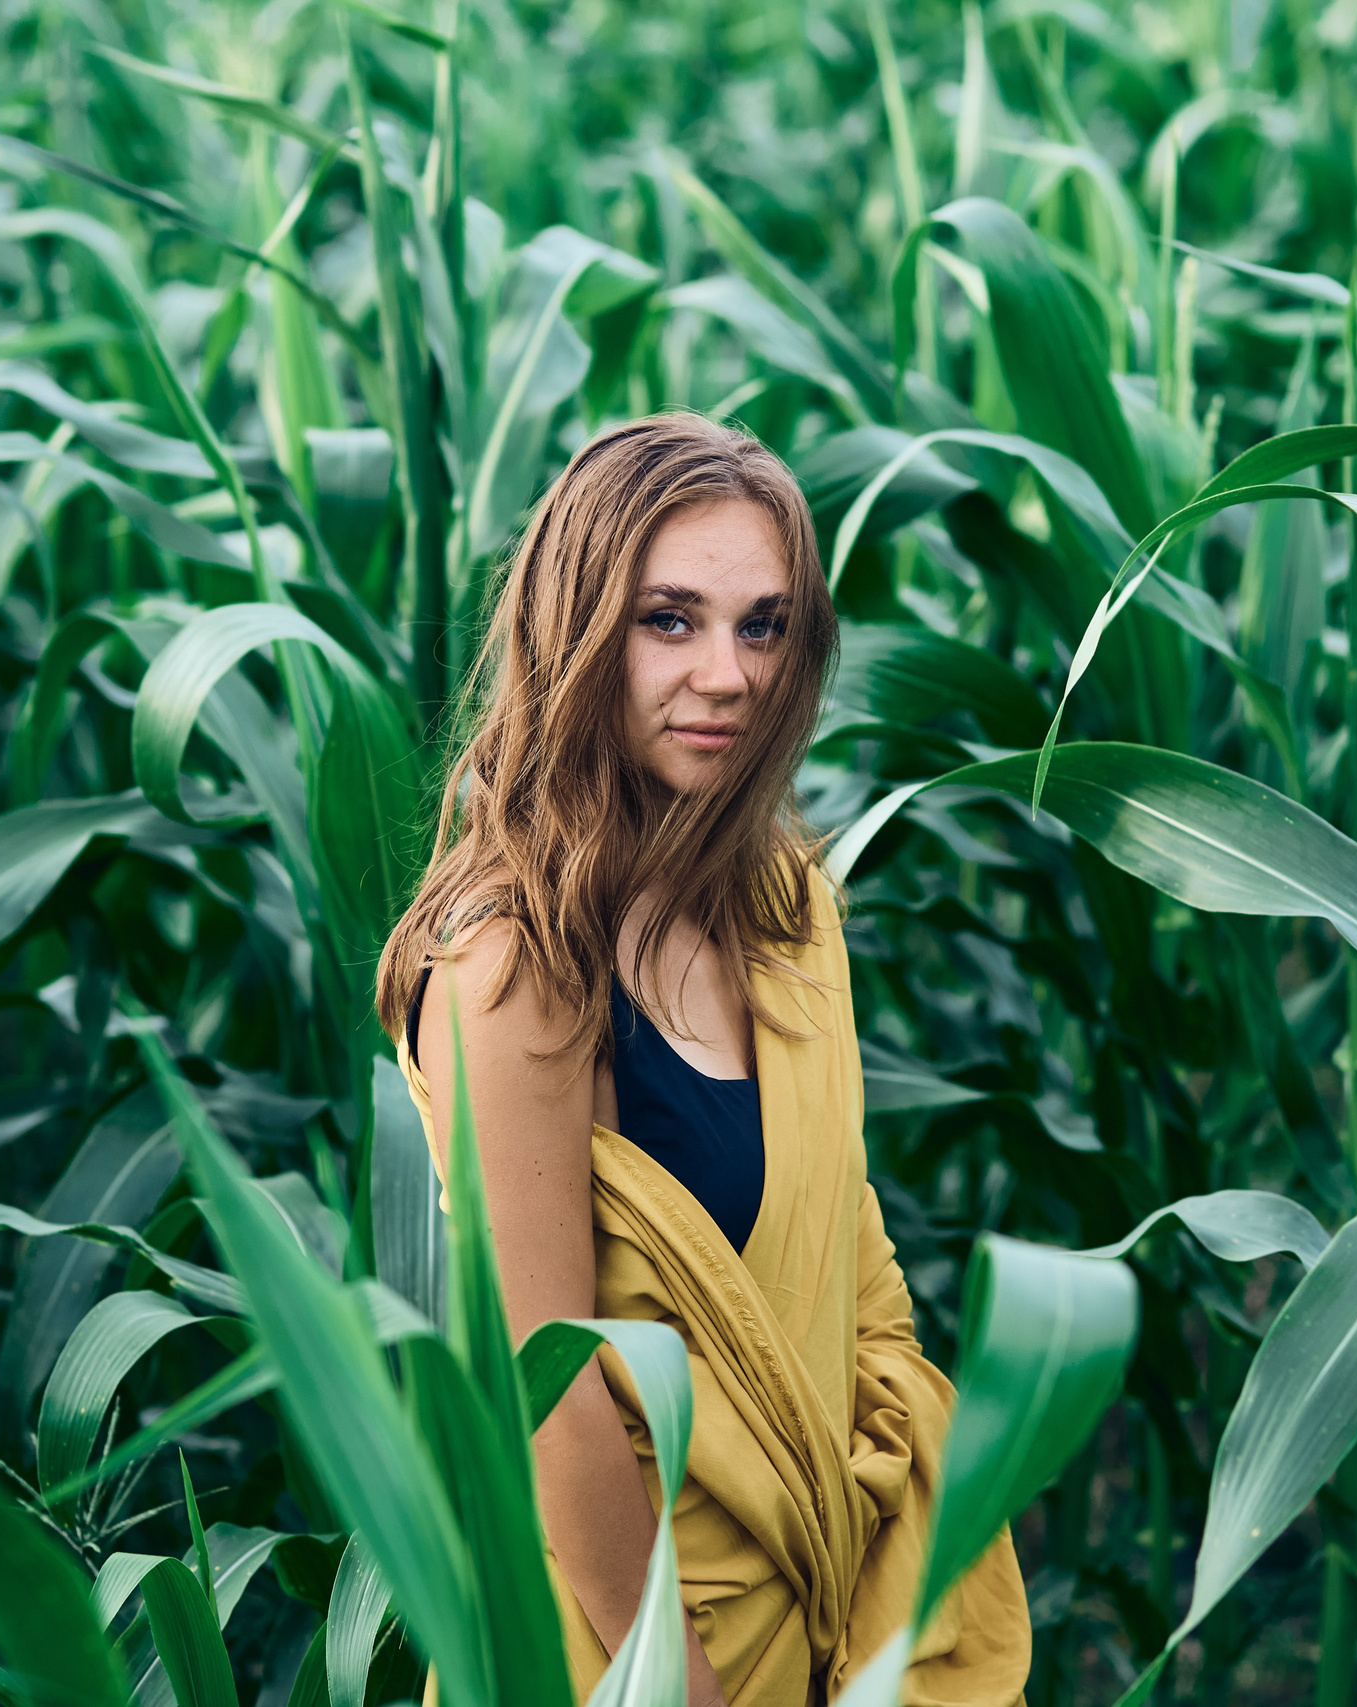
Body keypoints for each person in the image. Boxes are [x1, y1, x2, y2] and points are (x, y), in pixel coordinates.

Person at [376, 414, 1028, 1707]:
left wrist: (897, 1571)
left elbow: (849, 1258)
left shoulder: (787, 909)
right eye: (667, 620)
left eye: (764, 625)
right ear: (575, 633)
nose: (727, 674)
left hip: (842, 1594)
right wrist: (689, 1689)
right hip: (624, 1639)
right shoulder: (516, 967)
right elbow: (546, 1396)